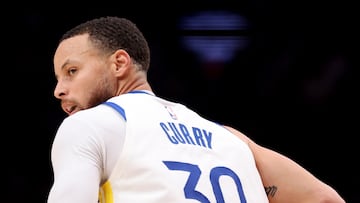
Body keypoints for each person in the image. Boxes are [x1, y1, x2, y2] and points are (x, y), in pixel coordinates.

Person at [47, 16, 345, 203]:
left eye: (72, 71)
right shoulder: (232, 139)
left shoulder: (89, 126)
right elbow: (323, 198)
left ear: (119, 63)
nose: (59, 89)